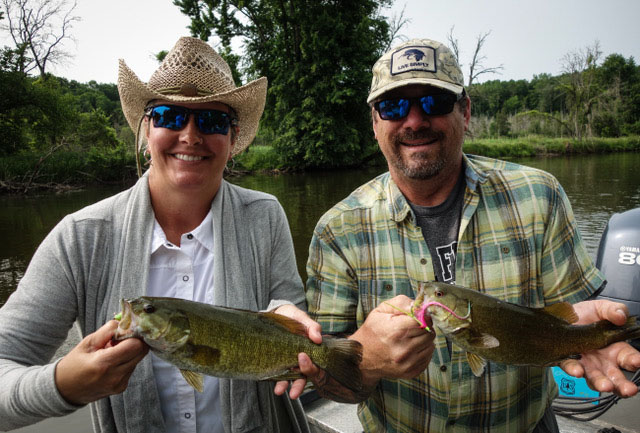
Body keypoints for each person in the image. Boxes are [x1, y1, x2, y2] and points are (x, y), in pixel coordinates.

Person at [301, 38, 640, 432]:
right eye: (393, 106)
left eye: (433, 102)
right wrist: (366, 362)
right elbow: (328, 384)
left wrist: (587, 335)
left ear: (465, 111)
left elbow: (568, 313)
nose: (413, 121)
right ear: (375, 123)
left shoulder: (539, 194)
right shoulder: (337, 230)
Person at [0, 37, 320, 433]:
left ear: (233, 139)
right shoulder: (79, 238)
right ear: (146, 129)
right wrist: (64, 384)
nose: (190, 135)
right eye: (170, 116)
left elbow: (286, 302)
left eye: (212, 121)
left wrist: (287, 317)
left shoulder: (265, 215)